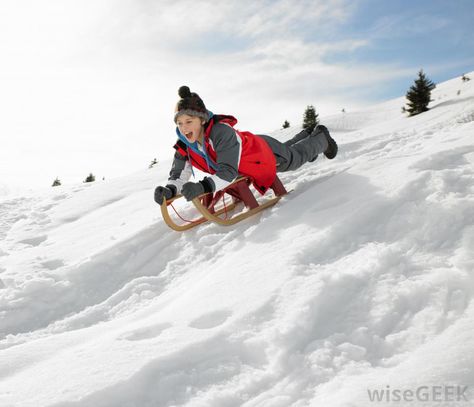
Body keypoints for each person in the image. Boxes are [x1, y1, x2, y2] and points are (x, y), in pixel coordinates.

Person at [154, 86, 337, 204]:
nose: (184, 128)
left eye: (189, 121)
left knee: (294, 159)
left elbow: (227, 172)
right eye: (179, 123)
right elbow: (179, 174)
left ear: (201, 120)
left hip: (261, 152)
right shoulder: (184, 145)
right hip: (247, 156)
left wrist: (202, 187)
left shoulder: (221, 133)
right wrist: (169, 190)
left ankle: (322, 138)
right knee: (289, 150)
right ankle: (306, 134)